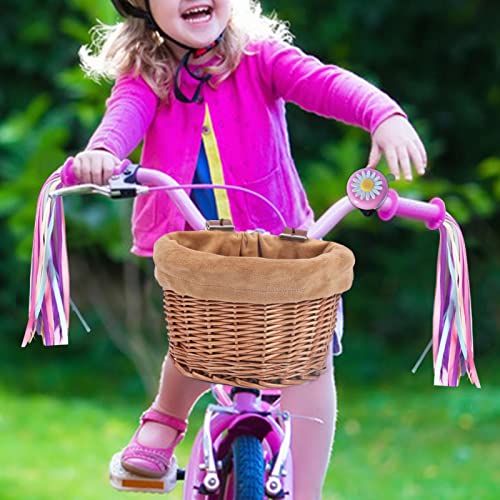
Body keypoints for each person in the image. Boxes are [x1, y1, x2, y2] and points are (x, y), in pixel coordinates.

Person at [73, 1, 427, 497]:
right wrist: (105, 155)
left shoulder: (259, 56)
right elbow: (124, 117)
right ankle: (164, 421)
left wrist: (381, 115)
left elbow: (323, 81)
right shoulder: (146, 73)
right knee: (196, 340)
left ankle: (307, 490)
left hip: (281, 245)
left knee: (312, 360)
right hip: (200, 245)